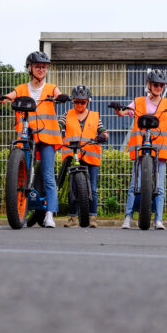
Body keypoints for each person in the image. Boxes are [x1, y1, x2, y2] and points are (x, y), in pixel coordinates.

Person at [1, 51, 68, 228]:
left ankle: (49, 214)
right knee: (22, 171)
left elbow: (59, 94)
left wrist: (61, 97)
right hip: (27, 134)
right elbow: (10, 97)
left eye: (44, 67)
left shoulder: (51, 88)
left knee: (47, 173)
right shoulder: (22, 88)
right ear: (29, 68)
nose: (41, 70)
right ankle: (20, 208)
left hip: (47, 135)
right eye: (38, 66)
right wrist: (0, 98)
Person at [113, 69, 167, 230]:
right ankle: (128, 217)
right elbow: (124, 112)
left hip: (160, 150)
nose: (159, 87)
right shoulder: (138, 101)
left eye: (161, 85)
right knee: (134, 184)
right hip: (141, 148)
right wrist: (118, 108)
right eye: (156, 85)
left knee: (160, 186)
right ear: (149, 85)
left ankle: (158, 219)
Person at [58, 84, 109, 228]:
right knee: (73, 186)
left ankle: (93, 217)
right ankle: (73, 218)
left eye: (83, 102)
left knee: (92, 187)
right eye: (77, 101)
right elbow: (58, 127)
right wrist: (56, 131)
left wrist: (102, 137)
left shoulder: (94, 116)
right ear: (73, 101)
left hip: (90, 155)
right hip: (73, 155)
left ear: (88, 101)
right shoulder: (66, 115)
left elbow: (104, 132)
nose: (79, 104)